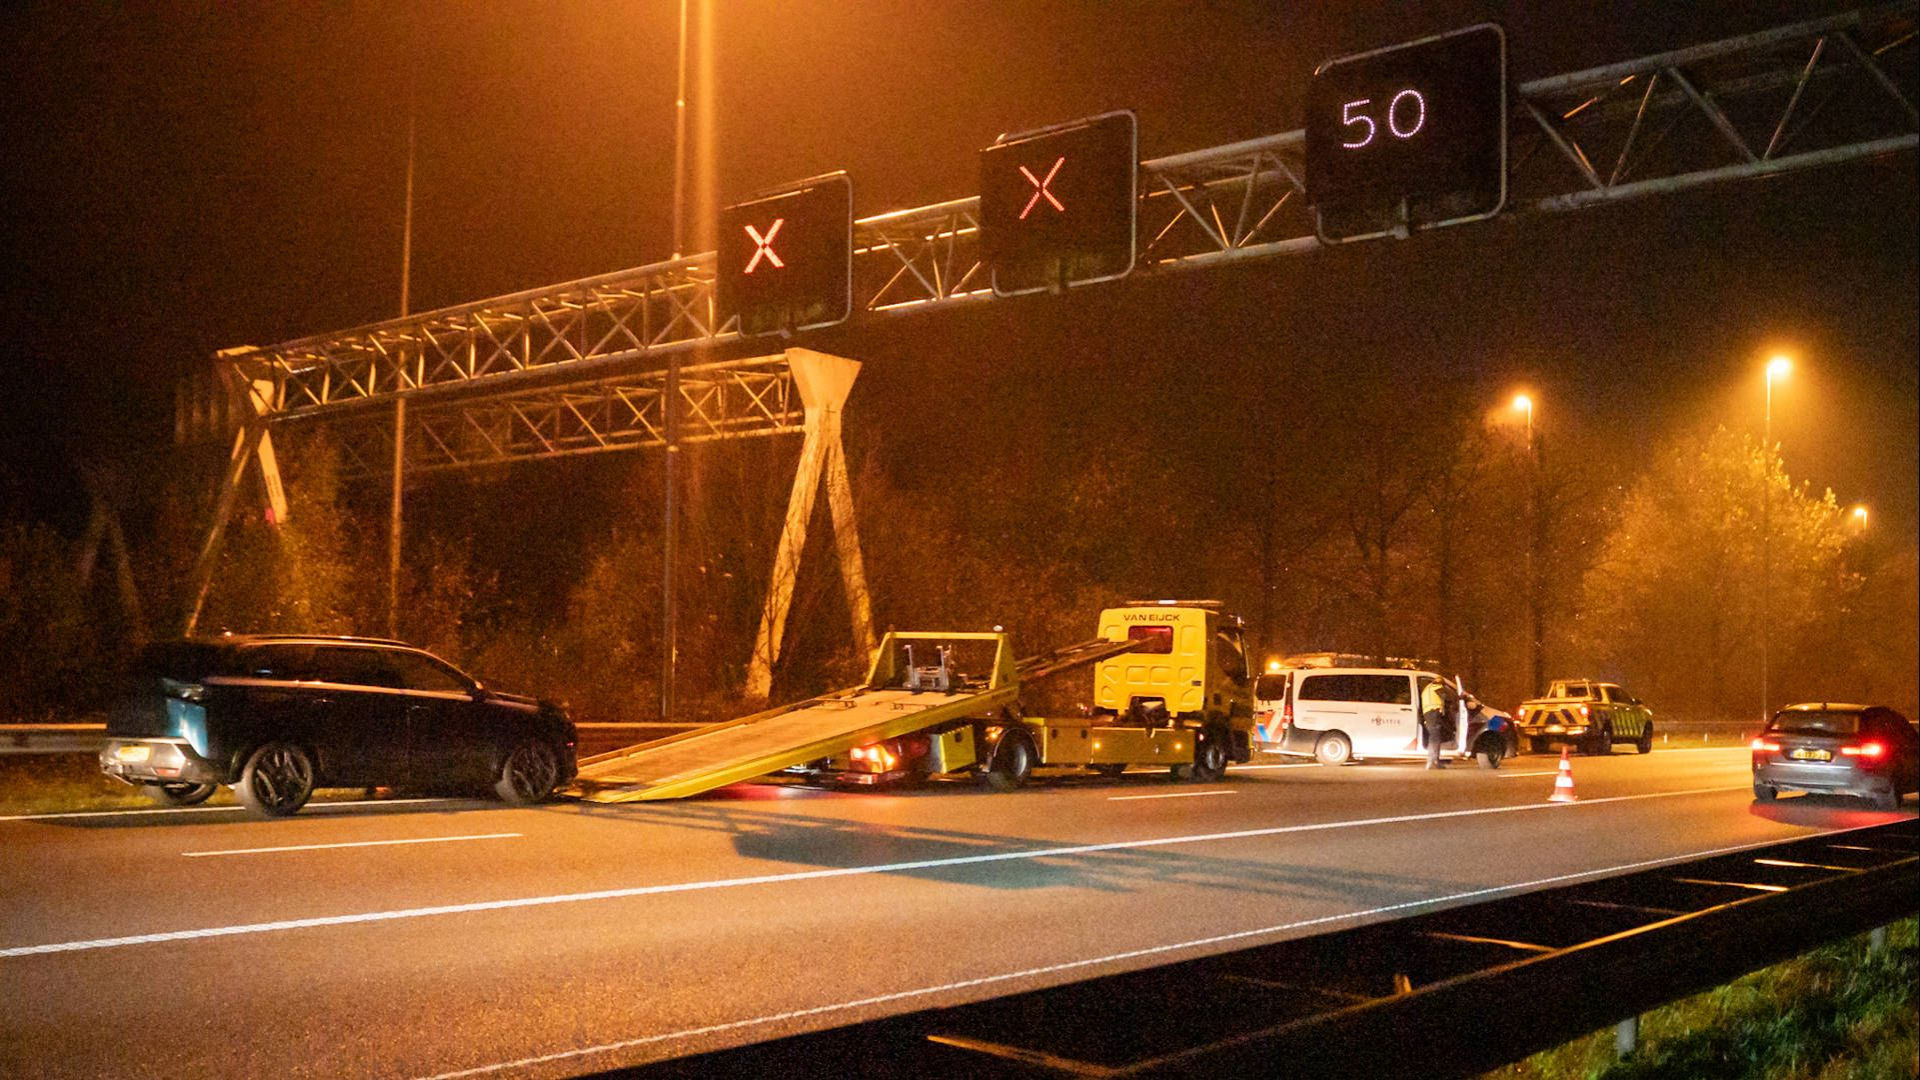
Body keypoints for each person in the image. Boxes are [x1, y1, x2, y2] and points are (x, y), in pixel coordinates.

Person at [1422, 676, 1461, 769]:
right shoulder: (1438, 687)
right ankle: (1433, 761)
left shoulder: (1426, 690)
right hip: (1434, 713)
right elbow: (1450, 697)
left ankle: (1432, 760)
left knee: (1433, 736)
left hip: (1427, 714)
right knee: (1435, 738)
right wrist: (1460, 697)